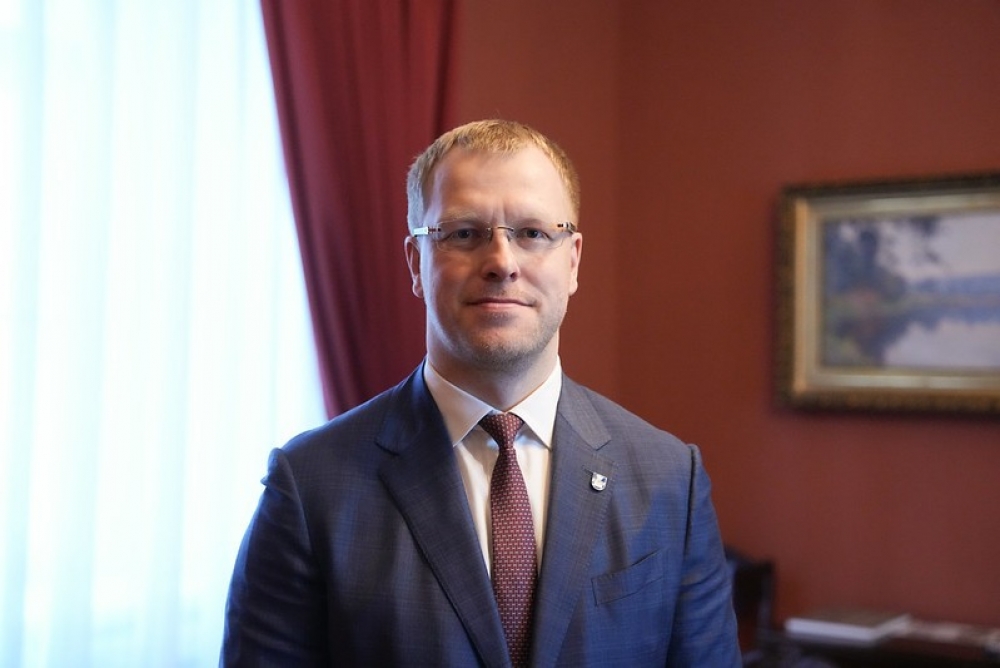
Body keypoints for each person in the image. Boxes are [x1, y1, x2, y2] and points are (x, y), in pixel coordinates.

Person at [221, 119, 740, 667]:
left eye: (532, 233)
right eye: (464, 233)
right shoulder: (310, 487)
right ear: (416, 263)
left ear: (572, 262)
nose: (501, 262)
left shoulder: (669, 480)